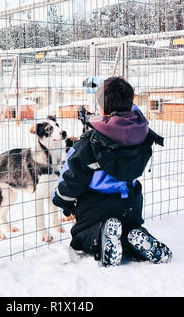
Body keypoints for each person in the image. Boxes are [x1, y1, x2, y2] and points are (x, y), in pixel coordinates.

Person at [52, 76, 172, 267]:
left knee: (81, 235)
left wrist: (61, 201)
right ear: (131, 103)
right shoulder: (143, 135)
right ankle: (136, 237)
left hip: (97, 207)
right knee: (128, 229)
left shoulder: (89, 143)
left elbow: (71, 180)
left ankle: (100, 235)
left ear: (101, 108)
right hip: (131, 203)